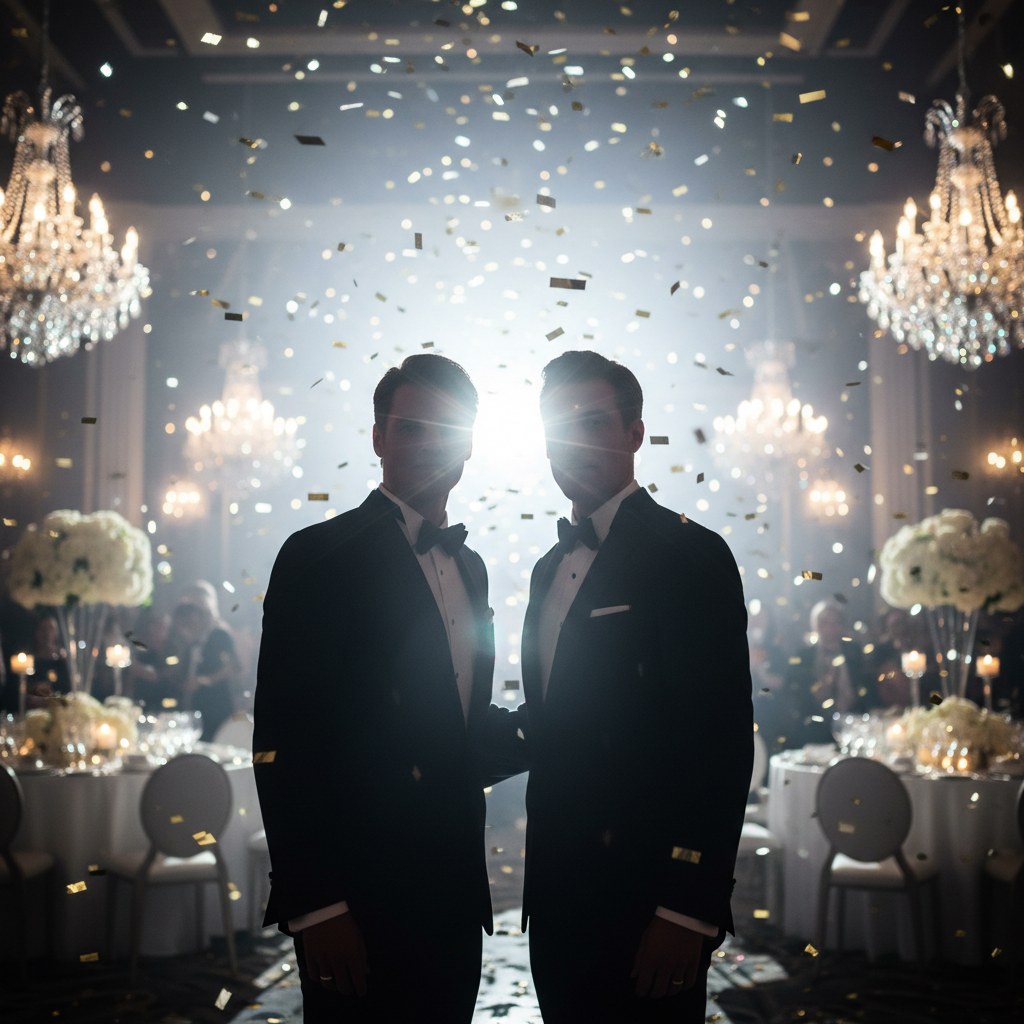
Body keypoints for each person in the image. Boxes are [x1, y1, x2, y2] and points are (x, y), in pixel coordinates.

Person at [253, 354, 527, 1023]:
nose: (430, 444)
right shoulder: (318, 556)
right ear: (378, 438)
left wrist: (560, 722)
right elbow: (285, 744)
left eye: (447, 430)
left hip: (455, 892)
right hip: (356, 897)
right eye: (411, 428)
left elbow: (457, 732)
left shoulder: (473, 567)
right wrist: (317, 906)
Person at [520, 350, 753, 1023]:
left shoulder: (689, 552)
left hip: (649, 895)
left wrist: (686, 907)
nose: (575, 441)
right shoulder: (545, 567)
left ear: (634, 433)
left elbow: (718, 742)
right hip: (557, 894)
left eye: (593, 421)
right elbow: (555, 719)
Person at [781, 599, 877, 747]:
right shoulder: (804, 657)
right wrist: (818, 692)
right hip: (816, 727)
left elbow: (866, 686)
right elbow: (792, 696)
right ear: (815, 625)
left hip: (854, 723)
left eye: (835, 622)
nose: (830, 628)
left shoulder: (854, 652)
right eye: (824, 623)